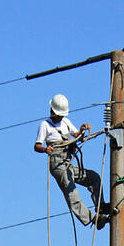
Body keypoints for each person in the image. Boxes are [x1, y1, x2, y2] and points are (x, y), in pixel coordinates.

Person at [34, 94, 109, 229]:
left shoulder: (66, 122)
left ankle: (101, 207)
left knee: (94, 178)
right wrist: (46, 149)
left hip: (68, 163)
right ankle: (93, 219)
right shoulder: (45, 125)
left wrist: (82, 129)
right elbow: (36, 146)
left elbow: (77, 137)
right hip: (57, 164)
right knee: (72, 193)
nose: (61, 117)